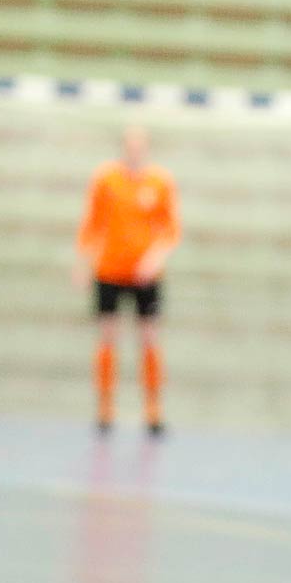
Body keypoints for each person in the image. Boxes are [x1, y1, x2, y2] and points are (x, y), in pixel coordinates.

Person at [75, 125, 179, 435]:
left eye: (140, 145)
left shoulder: (160, 182)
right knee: (108, 335)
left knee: (149, 337)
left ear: (146, 148)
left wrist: (156, 258)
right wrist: (83, 262)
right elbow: (91, 224)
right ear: (123, 147)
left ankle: (153, 409)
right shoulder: (105, 179)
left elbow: (171, 229)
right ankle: (105, 408)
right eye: (130, 144)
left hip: (146, 275)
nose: (135, 149)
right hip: (109, 270)